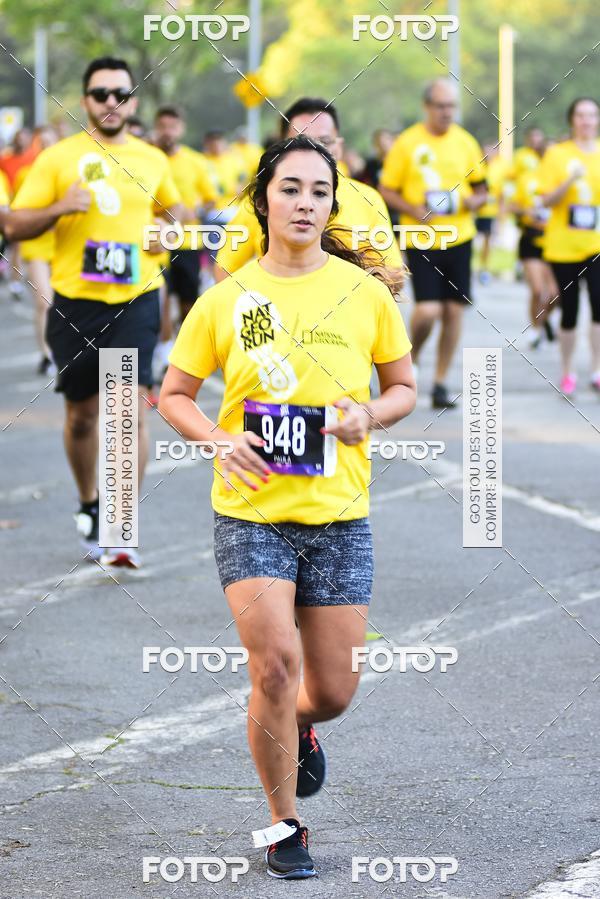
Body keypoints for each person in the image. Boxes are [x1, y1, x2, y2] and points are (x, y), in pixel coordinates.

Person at [158, 135, 415, 879]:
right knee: (273, 667)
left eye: (319, 192)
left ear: (333, 203)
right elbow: (174, 394)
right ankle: (284, 825)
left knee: (329, 690)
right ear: (264, 199)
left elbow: (400, 386)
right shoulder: (227, 299)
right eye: (291, 188)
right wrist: (215, 438)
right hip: (252, 512)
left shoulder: (363, 293)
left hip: (338, 514)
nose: (305, 203)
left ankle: (296, 726)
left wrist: (371, 415)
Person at [5, 56, 182, 566]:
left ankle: (120, 525)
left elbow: (176, 213)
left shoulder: (153, 159)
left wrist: (168, 232)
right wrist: (61, 207)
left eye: (120, 94)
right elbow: (15, 226)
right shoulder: (58, 159)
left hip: (134, 300)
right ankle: (89, 503)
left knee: (126, 412)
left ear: (133, 101)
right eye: (100, 93)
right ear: (84, 100)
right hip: (74, 303)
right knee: (82, 417)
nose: (110, 102)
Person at [379, 78, 488, 409]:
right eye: (440, 106)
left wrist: (470, 202)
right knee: (427, 310)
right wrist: (415, 210)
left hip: (460, 237)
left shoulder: (466, 143)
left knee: (454, 312)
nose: (446, 112)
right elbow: (387, 189)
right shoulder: (408, 143)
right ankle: (411, 358)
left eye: (451, 106)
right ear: (427, 107)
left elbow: (483, 190)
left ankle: (440, 383)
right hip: (421, 237)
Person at [214, 97, 403, 280]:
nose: (315, 152)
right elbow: (225, 269)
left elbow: (394, 272)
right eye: (301, 142)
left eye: (325, 142)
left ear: (339, 145)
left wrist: (338, 284)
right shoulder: (264, 200)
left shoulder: (367, 198)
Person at [538, 97, 600, 395]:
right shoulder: (557, 155)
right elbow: (547, 200)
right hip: (563, 246)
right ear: (572, 120)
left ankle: (597, 369)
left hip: (596, 242)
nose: (586, 121)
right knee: (570, 309)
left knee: (599, 305)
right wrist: (569, 182)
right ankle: (567, 371)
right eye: (581, 115)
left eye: (592, 115)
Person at [152, 105, 217, 376]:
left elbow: (211, 198)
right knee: (161, 299)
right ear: (156, 128)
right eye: (162, 126)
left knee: (188, 302)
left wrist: (197, 211)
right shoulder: (148, 158)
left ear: (181, 129)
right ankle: (164, 354)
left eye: (172, 126)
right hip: (153, 243)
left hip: (188, 241)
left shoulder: (195, 161)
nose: (167, 132)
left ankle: (183, 351)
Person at [12, 125, 59, 375]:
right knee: (45, 301)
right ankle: (47, 355)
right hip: (37, 244)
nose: (47, 148)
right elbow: (18, 212)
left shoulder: (71, 173)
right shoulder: (26, 175)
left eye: (52, 142)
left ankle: (68, 351)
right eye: (43, 143)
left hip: (66, 246)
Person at [509, 134, 557, 348]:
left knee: (556, 294)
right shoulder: (527, 178)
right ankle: (535, 329)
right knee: (538, 290)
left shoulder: (565, 180)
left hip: (557, 241)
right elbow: (511, 206)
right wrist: (525, 210)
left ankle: (544, 319)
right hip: (531, 237)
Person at [474, 142, 509, 285]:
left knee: (487, 241)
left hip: (489, 211)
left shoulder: (498, 169)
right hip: (474, 211)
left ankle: (484, 268)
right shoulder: (476, 166)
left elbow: (500, 193)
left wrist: (501, 212)